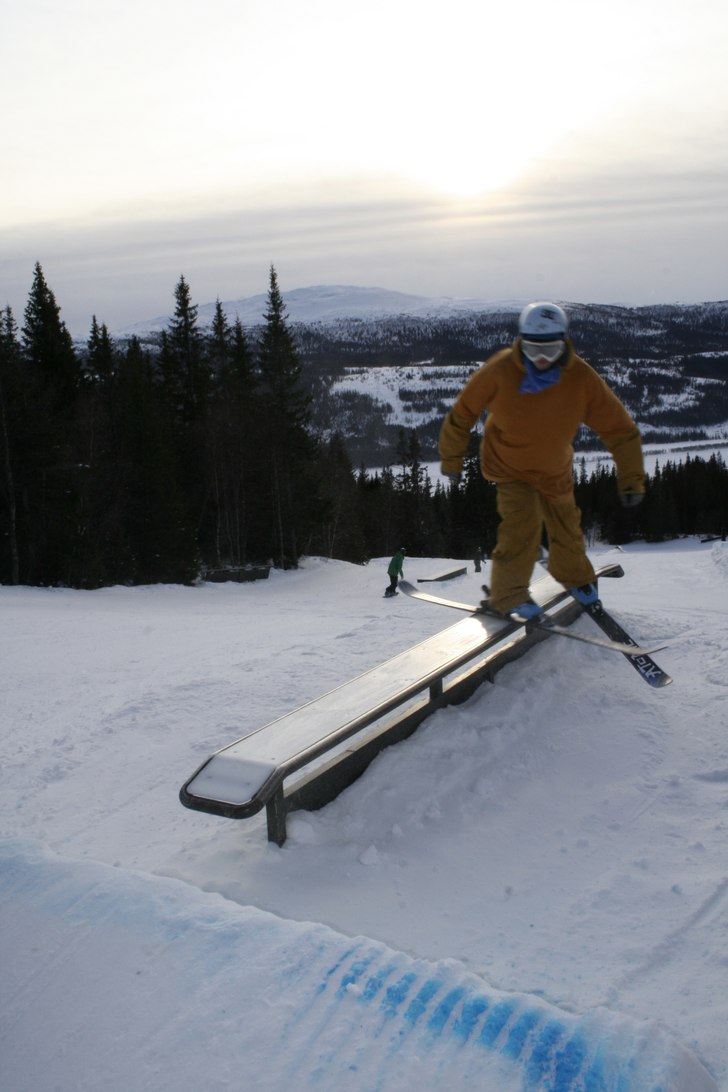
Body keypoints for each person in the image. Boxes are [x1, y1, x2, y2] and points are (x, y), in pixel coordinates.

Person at [438, 302, 645, 619]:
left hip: (553, 468)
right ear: (522, 341)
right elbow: (462, 414)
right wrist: (452, 461)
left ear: (564, 342)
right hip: (509, 466)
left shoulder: (580, 378)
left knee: (567, 528)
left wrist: (631, 478)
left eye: (550, 348)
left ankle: (577, 578)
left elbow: (619, 429)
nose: (542, 357)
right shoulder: (500, 371)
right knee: (520, 530)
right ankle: (507, 597)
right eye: (534, 348)